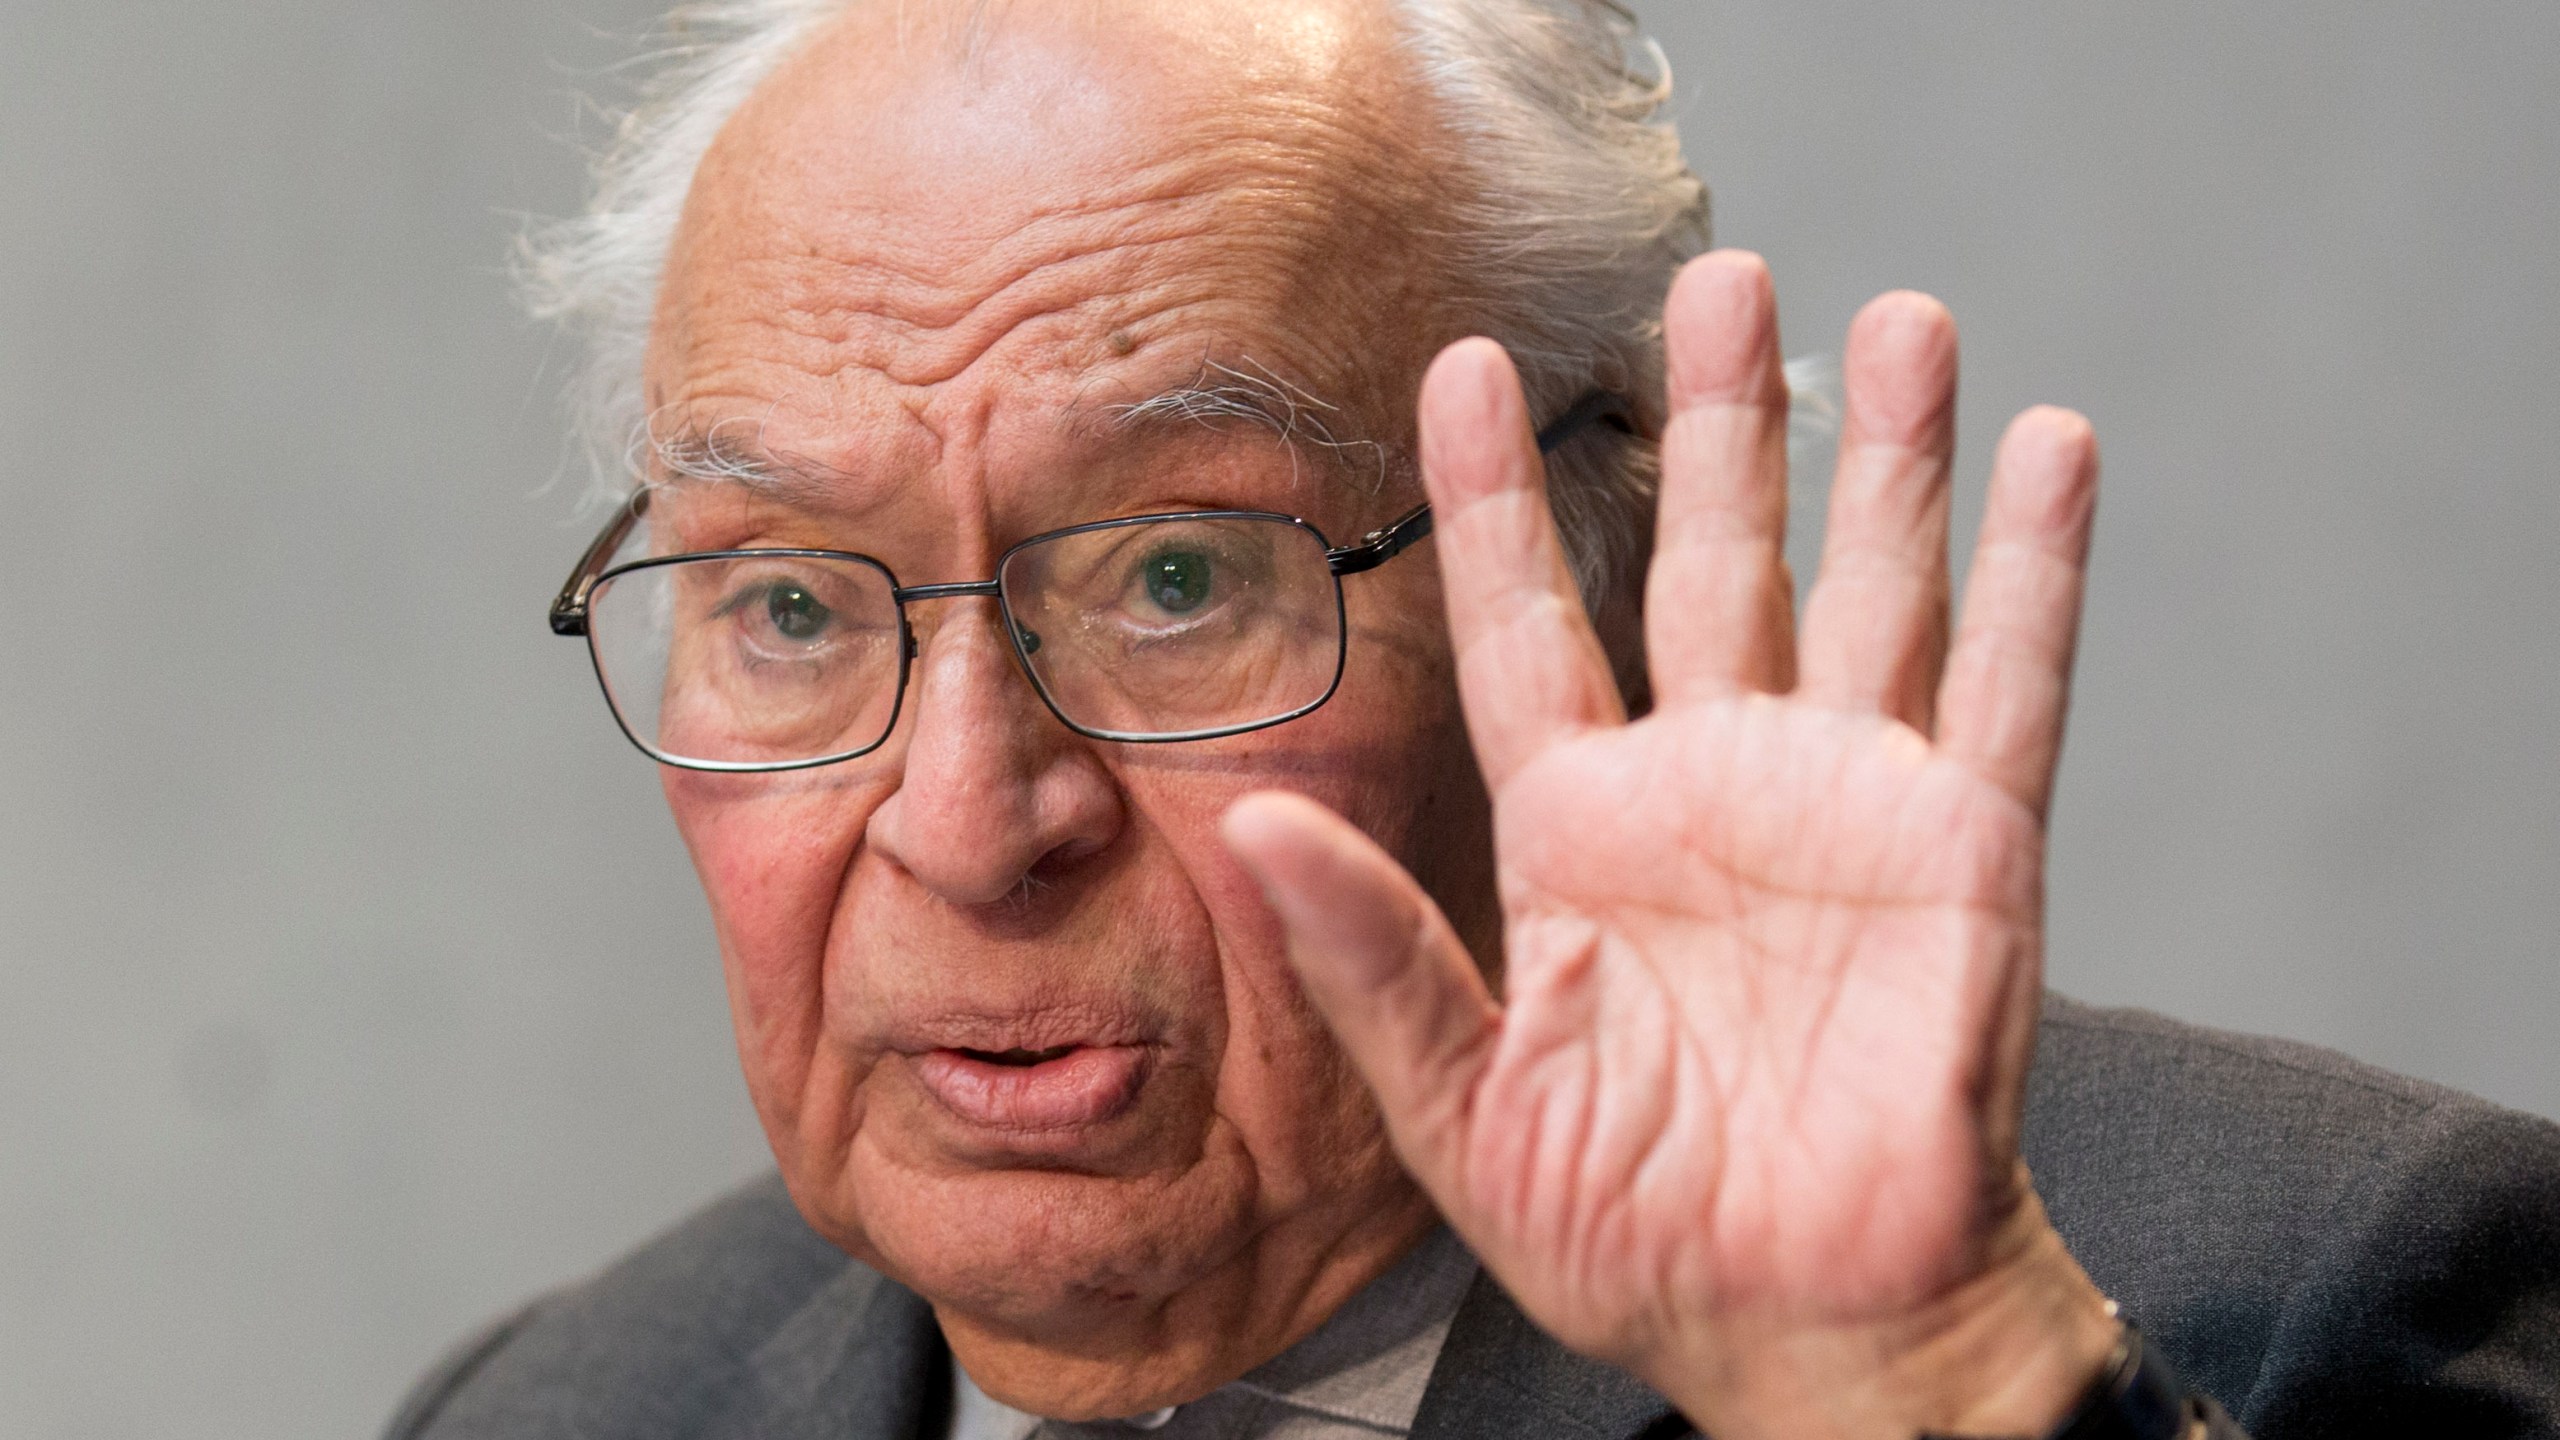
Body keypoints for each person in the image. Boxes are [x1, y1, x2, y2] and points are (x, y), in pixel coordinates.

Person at [391, 1, 2560, 1436]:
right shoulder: (562, 1409)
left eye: (1176, 577)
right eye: (788, 602)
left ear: (1590, 579)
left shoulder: (2313, 1302)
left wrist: (1945, 1385)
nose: (971, 819)